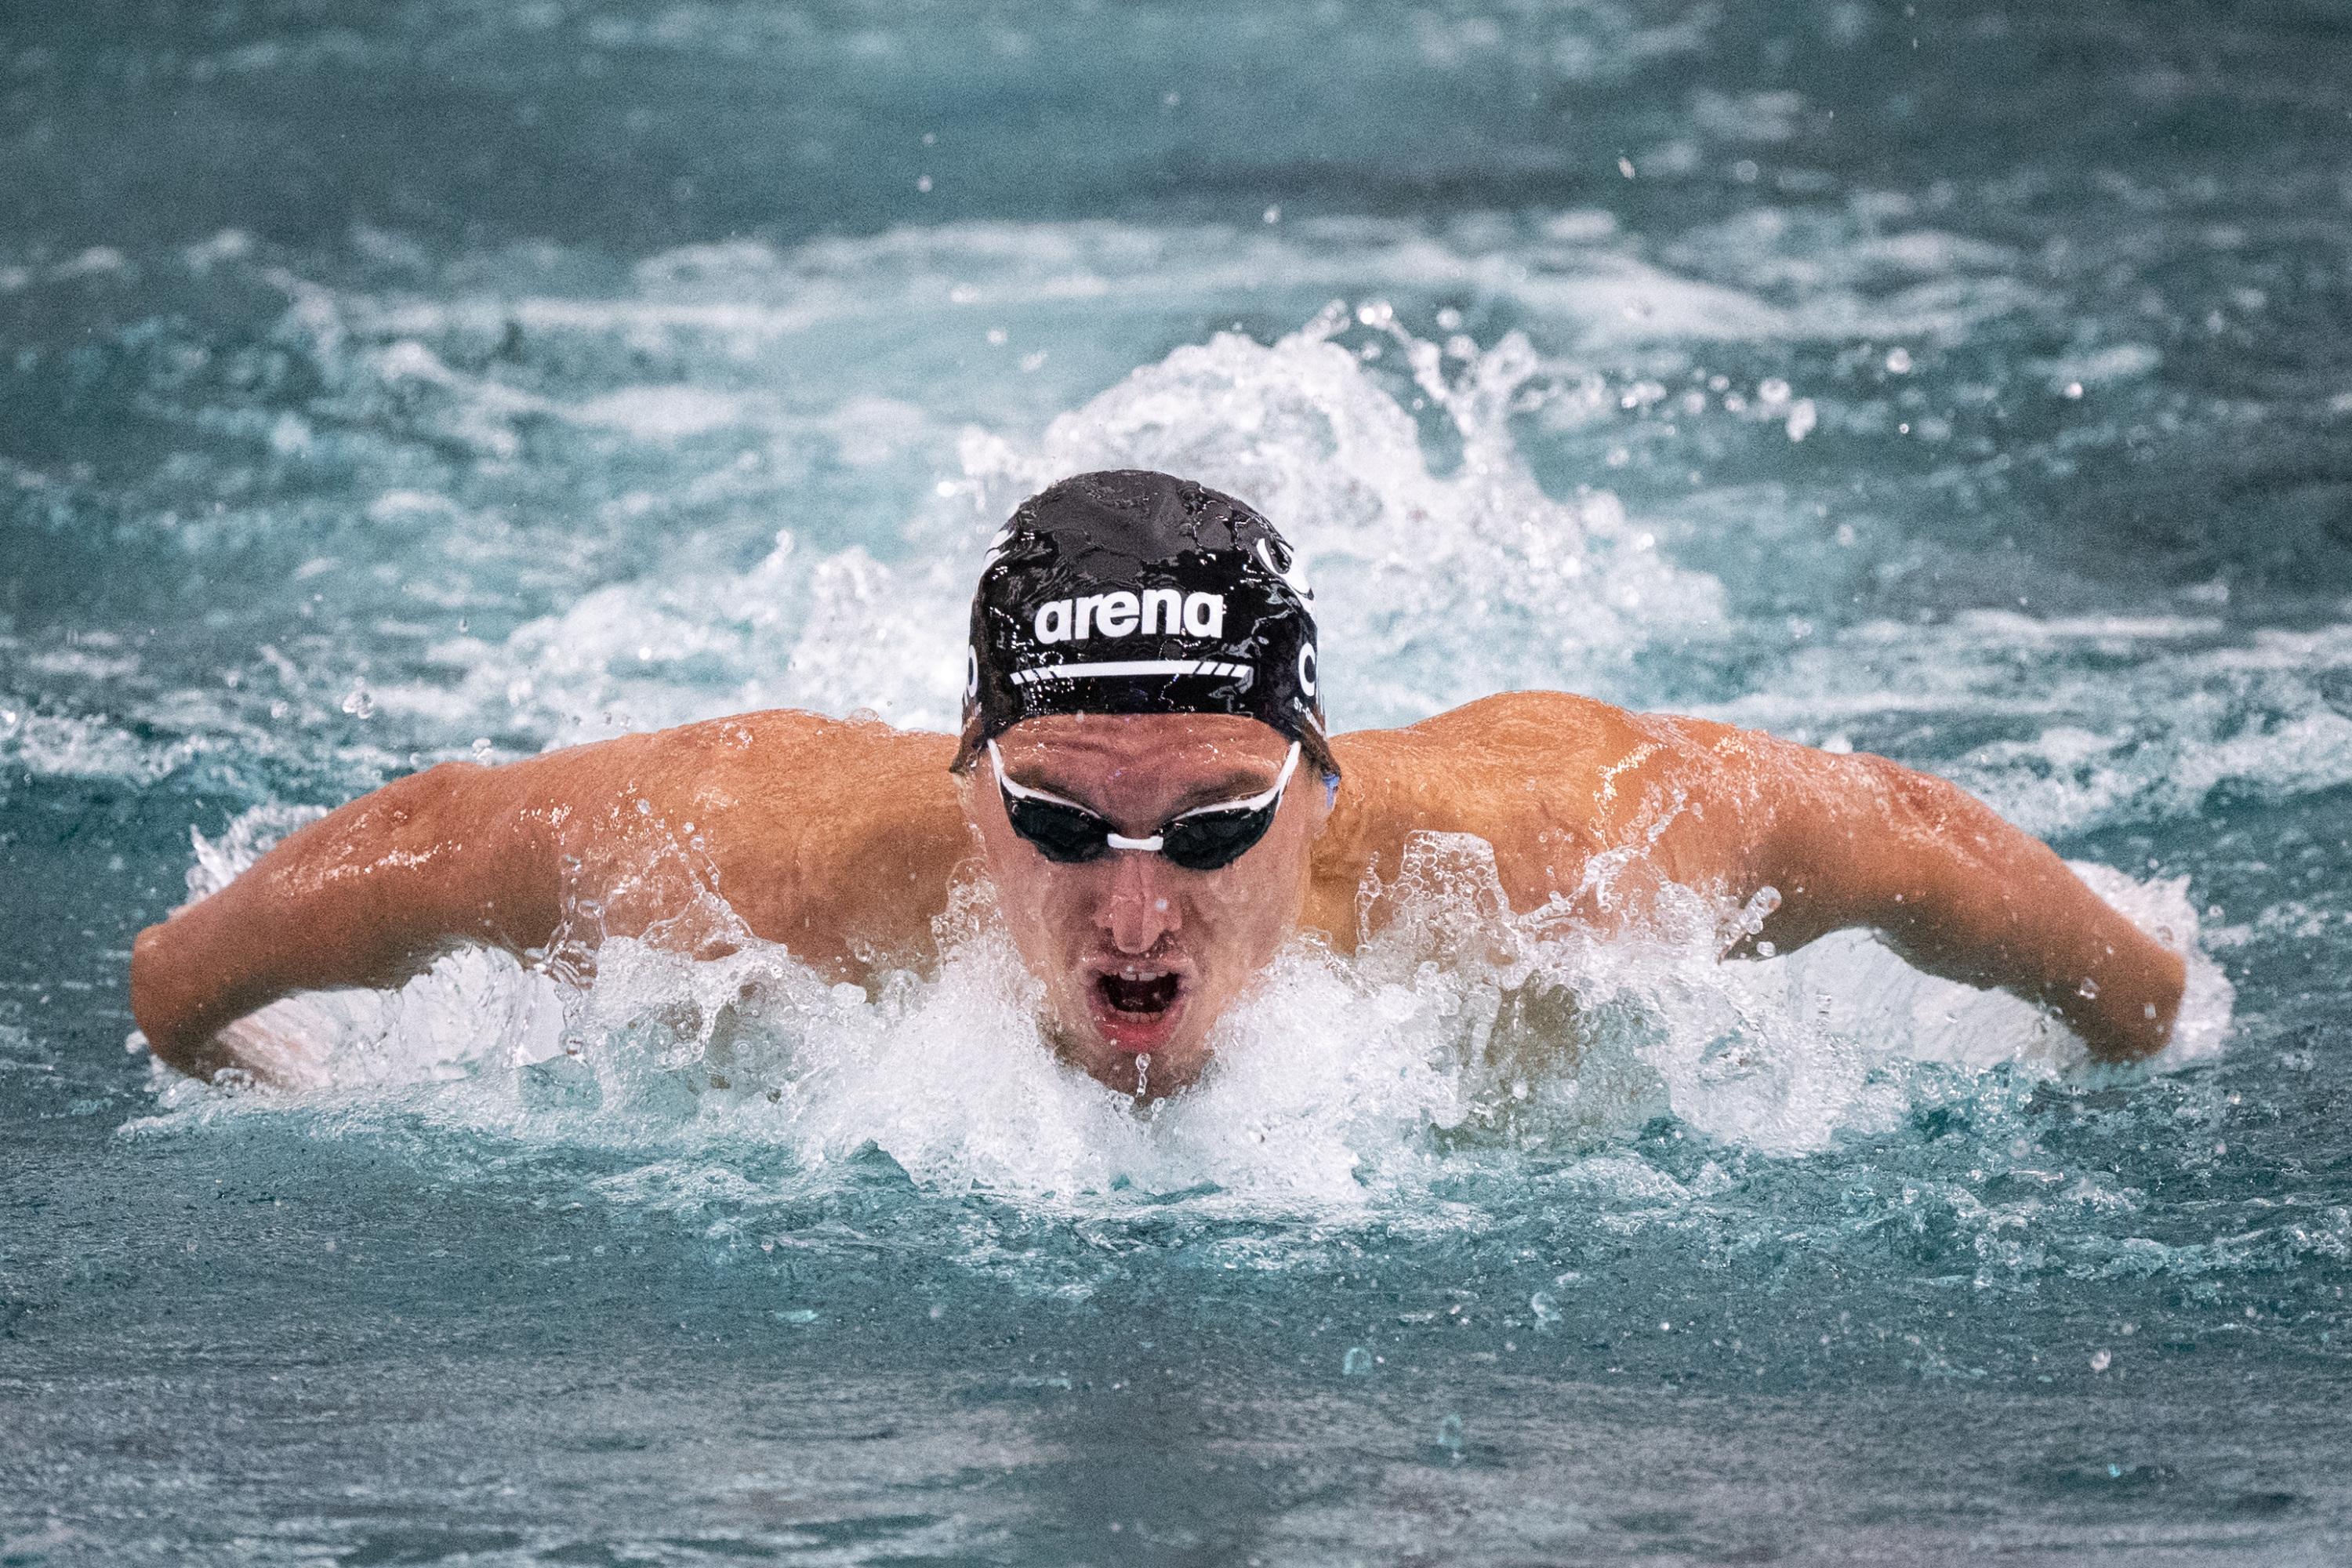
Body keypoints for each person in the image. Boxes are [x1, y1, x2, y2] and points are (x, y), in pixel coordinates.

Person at [129, 470, 2187, 1095]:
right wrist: (227, 1060)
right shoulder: (740, 863)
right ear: (963, 790)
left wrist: (2146, 1030)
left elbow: (1901, 837)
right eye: (1056, 824)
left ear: (1315, 787)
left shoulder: (1557, 852)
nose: (1136, 913)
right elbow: (397, 857)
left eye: (1209, 828)